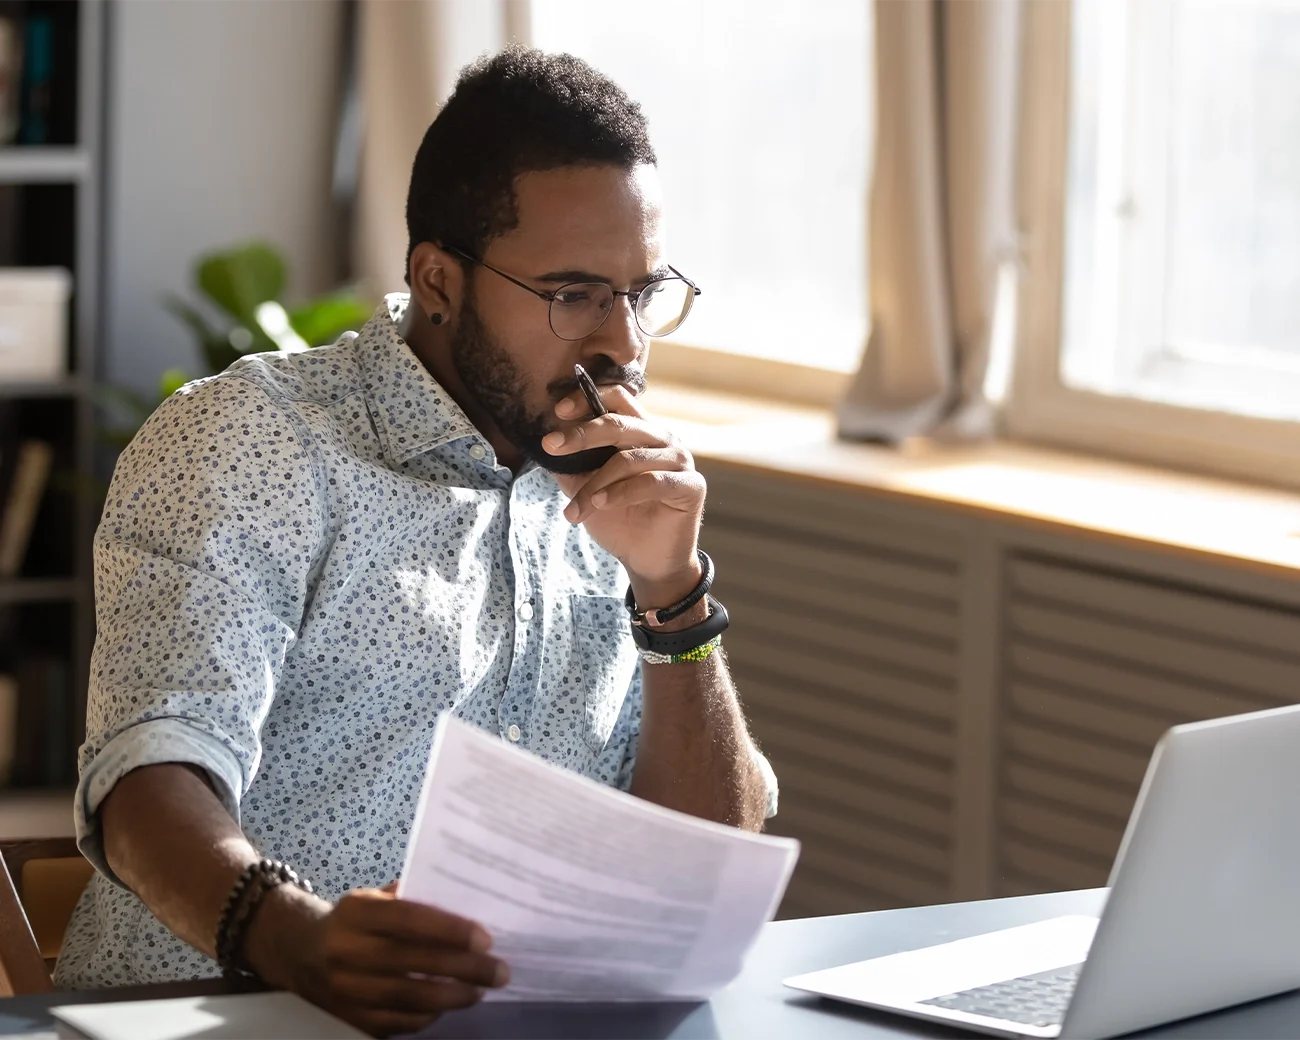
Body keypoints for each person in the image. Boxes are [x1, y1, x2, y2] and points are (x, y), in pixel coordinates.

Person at [54, 45, 777, 1036]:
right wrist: (294, 937)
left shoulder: (614, 489)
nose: (622, 344)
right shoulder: (253, 440)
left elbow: (702, 867)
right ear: (439, 279)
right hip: (218, 1018)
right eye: (572, 294)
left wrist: (672, 591)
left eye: (640, 293)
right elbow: (148, 772)